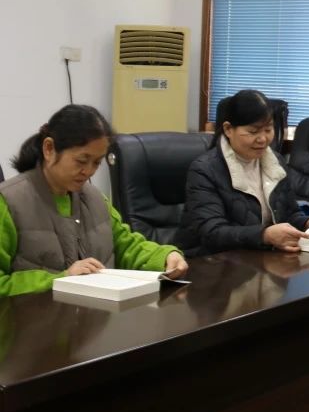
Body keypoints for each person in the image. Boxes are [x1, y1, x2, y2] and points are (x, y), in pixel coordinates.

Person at [0, 105, 187, 297]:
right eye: (81, 161)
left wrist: (164, 256)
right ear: (49, 149)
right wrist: (61, 279)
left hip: (95, 313)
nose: (89, 171)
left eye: (97, 162)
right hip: (34, 314)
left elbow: (125, 245)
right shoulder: (9, 202)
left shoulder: (94, 198)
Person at [176, 89, 309, 256]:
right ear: (228, 129)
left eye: (268, 130)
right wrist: (264, 235)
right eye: (253, 132)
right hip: (210, 261)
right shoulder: (205, 169)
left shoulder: (275, 162)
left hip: (259, 258)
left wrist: (307, 223)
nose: (262, 139)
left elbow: (288, 214)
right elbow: (212, 232)